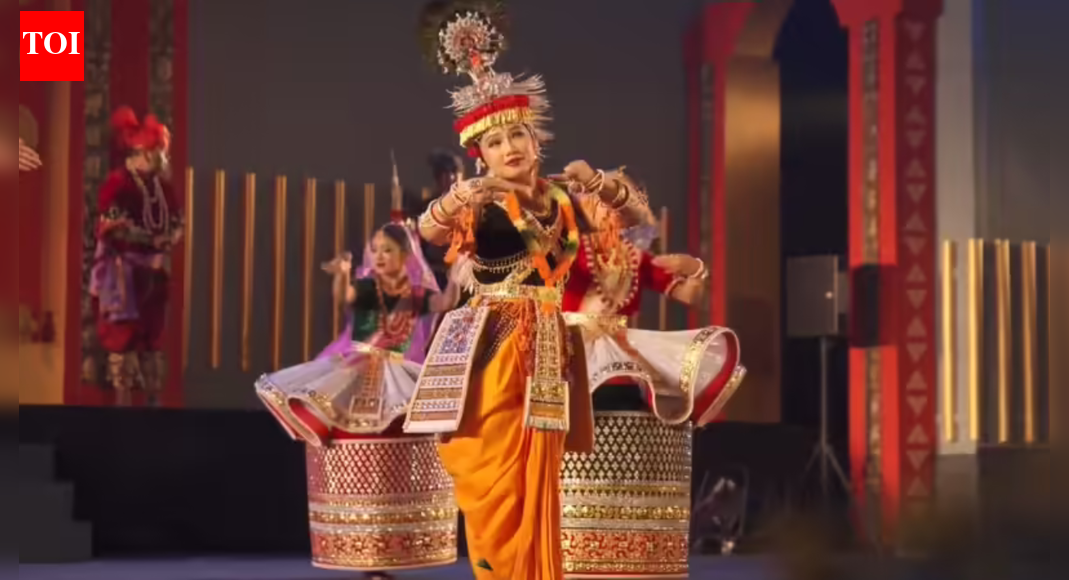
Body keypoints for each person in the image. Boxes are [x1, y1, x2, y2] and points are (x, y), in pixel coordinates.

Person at [403, 2, 654, 578]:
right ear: (480, 154)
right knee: (493, 475)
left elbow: (638, 217)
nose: (510, 147)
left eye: (518, 133)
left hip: (548, 352)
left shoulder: (564, 196)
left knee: (539, 480)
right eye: (494, 142)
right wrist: (459, 197)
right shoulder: (482, 201)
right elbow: (427, 231)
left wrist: (602, 183)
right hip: (497, 350)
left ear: (536, 139)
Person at [255, 223, 462, 579]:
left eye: (387, 250)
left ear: (405, 256)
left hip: (396, 376)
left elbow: (446, 303)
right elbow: (346, 300)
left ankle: (391, 547)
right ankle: (358, 546)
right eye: (375, 250)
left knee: (394, 452)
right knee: (349, 443)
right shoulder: (366, 287)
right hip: (357, 370)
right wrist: (343, 274)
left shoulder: (415, 294)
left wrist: (457, 271)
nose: (379, 256)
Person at [557, 209, 747, 577]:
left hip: (620, 358)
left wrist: (695, 269)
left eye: (615, 204)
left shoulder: (634, 258)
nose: (607, 211)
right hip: (572, 354)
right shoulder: (564, 250)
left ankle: (629, 544)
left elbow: (692, 296)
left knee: (646, 421)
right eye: (599, 201)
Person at [89, 107, 182, 406]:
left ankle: (154, 406)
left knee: (153, 343)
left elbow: (177, 221)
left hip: (154, 275)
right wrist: (146, 238)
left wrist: (170, 236)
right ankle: (123, 406)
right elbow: (111, 224)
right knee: (123, 341)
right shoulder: (119, 183)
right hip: (124, 276)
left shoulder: (163, 187)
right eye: (158, 152)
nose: (163, 158)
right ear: (143, 150)